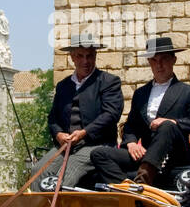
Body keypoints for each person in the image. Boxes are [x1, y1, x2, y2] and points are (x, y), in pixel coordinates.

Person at [91, 36, 190, 187]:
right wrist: (132, 143)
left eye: (164, 59)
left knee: (167, 125)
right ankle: (125, 189)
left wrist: (173, 122)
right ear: (149, 62)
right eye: (154, 60)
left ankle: (143, 180)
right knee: (99, 154)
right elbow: (130, 127)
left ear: (173, 60)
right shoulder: (141, 93)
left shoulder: (188, 92)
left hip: (174, 155)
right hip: (146, 154)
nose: (159, 65)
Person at [29, 36, 123, 190]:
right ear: (72, 57)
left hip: (95, 145)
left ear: (95, 56)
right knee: (38, 171)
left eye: (89, 56)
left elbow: (111, 114)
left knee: (66, 175)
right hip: (66, 145)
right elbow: (53, 118)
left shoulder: (108, 81)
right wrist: (59, 134)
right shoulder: (63, 86)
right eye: (80, 56)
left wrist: (84, 133)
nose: (85, 61)